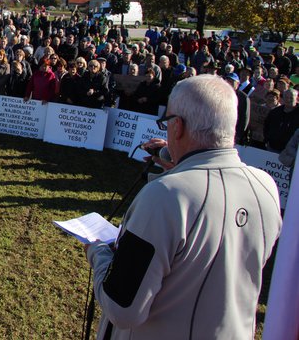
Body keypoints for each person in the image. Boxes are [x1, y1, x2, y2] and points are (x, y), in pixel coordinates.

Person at [84, 74, 282, 339]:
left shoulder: (164, 196)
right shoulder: (266, 187)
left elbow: (123, 310)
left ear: (177, 126)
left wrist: (98, 252)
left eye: (167, 124)